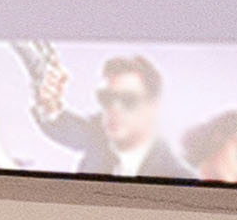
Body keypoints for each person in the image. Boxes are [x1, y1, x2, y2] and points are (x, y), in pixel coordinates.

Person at [19, 43, 189, 178]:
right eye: (107, 98)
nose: (114, 108)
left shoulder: (176, 177)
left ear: (152, 107)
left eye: (128, 99)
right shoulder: (99, 137)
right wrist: (49, 102)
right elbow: (64, 126)